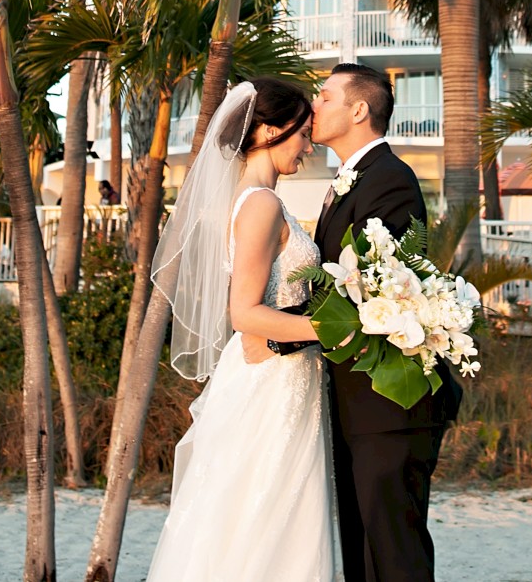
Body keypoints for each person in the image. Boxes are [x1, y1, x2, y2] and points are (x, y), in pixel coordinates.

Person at [146, 78, 334, 581]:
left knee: (268, 514)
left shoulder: (257, 199)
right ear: (269, 130)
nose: (309, 146)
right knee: (266, 516)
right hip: (274, 379)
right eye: (302, 133)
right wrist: (338, 328)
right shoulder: (260, 205)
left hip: (282, 372)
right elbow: (244, 313)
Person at [311, 63, 463, 582]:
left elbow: (373, 288)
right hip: (359, 401)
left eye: (324, 96)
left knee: (393, 553)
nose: (314, 105)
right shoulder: (350, 180)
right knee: (363, 550)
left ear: (358, 110)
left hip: (391, 404)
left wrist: (278, 328)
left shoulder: (389, 179)